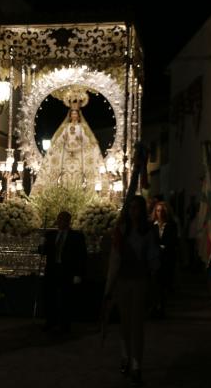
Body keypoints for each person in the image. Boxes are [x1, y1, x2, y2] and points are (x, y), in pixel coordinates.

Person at [105, 195, 159, 386]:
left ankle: (136, 364)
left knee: (137, 325)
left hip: (140, 281)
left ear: (142, 210)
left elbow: (153, 257)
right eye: (131, 208)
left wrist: (154, 278)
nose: (133, 211)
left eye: (136, 208)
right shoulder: (121, 230)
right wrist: (109, 287)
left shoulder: (149, 231)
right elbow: (115, 259)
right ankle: (125, 356)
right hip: (123, 281)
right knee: (124, 322)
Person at [31, 88, 106, 194]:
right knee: (66, 175)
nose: (74, 116)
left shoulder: (81, 127)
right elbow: (61, 139)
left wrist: (87, 145)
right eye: (72, 114)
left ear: (78, 116)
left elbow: (85, 140)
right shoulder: (66, 127)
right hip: (67, 154)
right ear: (70, 116)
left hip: (78, 155)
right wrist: (56, 146)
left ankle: (80, 193)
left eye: (76, 114)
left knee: (78, 174)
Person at [41, 211, 87, 332]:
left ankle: (64, 324)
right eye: (59, 219)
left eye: (63, 220)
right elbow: (43, 251)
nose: (60, 222)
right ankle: (50, 321)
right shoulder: (51, 234)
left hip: (67, 270)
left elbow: (81, 256)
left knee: (66, 298)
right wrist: (42, 244)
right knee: (50, 296)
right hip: (52, 269)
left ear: (68, 221)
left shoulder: (76, 236)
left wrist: (78, 274)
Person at [151, 201, 178, 318]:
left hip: (166, 258)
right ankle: (155, 307)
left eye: (162, 211)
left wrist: (164, 247)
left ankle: (162, 307)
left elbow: (172, 241)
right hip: (155, 258)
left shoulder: (171, 225)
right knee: (155, 284)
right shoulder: (152, 225)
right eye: (157, 210)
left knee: (163, 284)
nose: (160, 213)